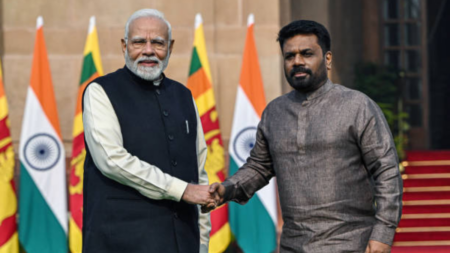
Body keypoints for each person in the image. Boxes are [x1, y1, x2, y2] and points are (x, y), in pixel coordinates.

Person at [207, 20, 403, 253]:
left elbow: (387, 171)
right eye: (289, 56)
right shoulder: (274, 113)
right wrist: (226, 189)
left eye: (307, 53)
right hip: (294, 245)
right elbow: (259, 167)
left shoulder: (357, 106)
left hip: (351, 243)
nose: (297, 61)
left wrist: (383, 233)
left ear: (328, 59)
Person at [82, 9, 215, 253]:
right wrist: (182, 190)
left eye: (157, 42)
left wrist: (202, 244)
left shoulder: (184, 96)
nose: (148, 50)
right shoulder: (100, 91)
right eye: (139, 42)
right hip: (120, 242)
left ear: (170, 47)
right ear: (124, 45)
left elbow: (199, 173)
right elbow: (111, 159)